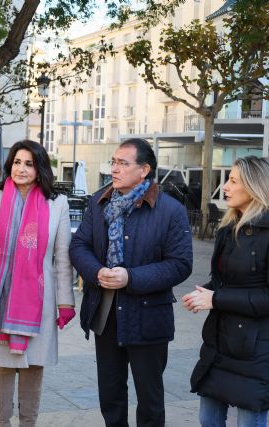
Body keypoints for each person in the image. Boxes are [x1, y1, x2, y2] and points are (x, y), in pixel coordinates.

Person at [69, 138, 192, 427]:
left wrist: (131, 277)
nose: (114, 168)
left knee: (150, 401)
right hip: (105, 313)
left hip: (148, 318)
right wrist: (97, 272)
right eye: (113, 162)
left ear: (144, 170)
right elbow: (78, 246)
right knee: (110, 396)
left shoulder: (170, 211)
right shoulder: (99, 201)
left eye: (123, 163)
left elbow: (180, 264)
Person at [0, 140, 75, 427]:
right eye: (17, 162)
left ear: (40, 169)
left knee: (33, 367)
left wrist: (65, 302)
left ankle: (28, 423)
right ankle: (1, 423)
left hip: (40, 301)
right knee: (1, 367)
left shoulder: (57, 205)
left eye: (29, 163)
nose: (21, 168)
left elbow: (62, 259)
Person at [183, 156, 269, 427]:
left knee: (248, 421)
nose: (225, 188)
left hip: (256, 349)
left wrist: (216, 299)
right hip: (220, 342)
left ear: (255, 187)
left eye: (233, 181)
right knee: (208, 419)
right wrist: (205, 293)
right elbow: (225, 281)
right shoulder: (228, 228)